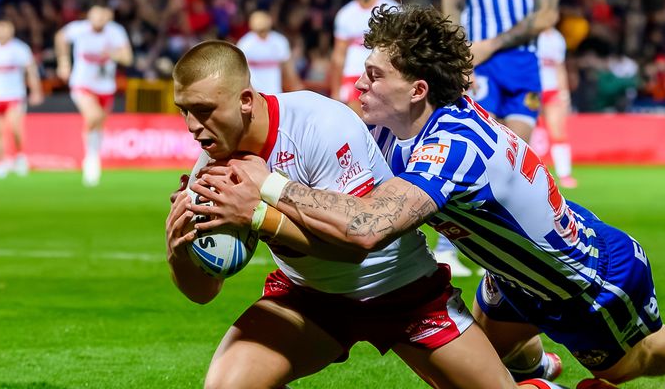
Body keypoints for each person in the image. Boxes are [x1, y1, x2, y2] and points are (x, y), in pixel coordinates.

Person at [208, 5, 665, 389]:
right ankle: (538, 370)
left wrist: (268, 190)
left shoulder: (453, 147)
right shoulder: (392, 125)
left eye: (373, 75)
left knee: (628, 365)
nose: (359, 85)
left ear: (417, 90)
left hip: (584, 282)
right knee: (492, 362)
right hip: (511, 276)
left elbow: (366, 226)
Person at [166, 40, 562, 389]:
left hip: (403, 290)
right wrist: (180, 251)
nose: (191, 126)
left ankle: (537, 374)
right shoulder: (211, 166)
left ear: (246, 101)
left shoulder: (317, 124)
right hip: (309, 299)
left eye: (203, 110)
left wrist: (257, 216)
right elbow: (203, 292)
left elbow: (355, 247)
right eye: (184, 111)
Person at [440, 0, 562, 143]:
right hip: (479, 64)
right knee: (480, 145)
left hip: (523, 63)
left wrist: (490, 46)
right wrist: (460, 60)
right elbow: (451, 9)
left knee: (516, 153)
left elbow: (546, 16)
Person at [54, 4, 133, 187]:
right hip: (82, 83)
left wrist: (112, 53)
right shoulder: (78, 29)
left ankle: (94, 155)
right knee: (93, 116)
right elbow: (60, 37)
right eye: (95, 15)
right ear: (88, 16)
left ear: (108, 17)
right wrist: (63, 61)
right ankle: (90, 159)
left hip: (105, 86)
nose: (98, 19)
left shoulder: (116, 32)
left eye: (102, 16)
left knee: (99, 124)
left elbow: (127, 58)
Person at [331, 0, 398, 117]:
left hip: (383, 72)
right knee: (357, 121)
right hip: (353, 74)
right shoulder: (345, 14)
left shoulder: (393, 9)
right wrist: (335, 89)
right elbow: (339, 54)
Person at [0, 20, 43, 178]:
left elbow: (31, 70)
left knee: (14, 128)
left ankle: (19, 157)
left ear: (11, 31)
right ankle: (0, 162)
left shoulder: (20, 48)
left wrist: (36, 91)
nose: (2, 32)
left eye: (5, 29)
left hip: (15, 95)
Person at [536, 27, 577, 189]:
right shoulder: (531, 34)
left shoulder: (557, 38)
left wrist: (564, 93)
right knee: (531, 132)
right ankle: (531, 175)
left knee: (558, 132)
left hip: (552, 90)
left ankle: (564, 174)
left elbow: (560, 67)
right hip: (533, 90)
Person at [236, 10, 303, 94]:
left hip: (275, 93)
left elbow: (288, 68)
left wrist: (296, 85)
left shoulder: (279, 41)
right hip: (254, 93)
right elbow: (240, 70)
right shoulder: (245, 43)